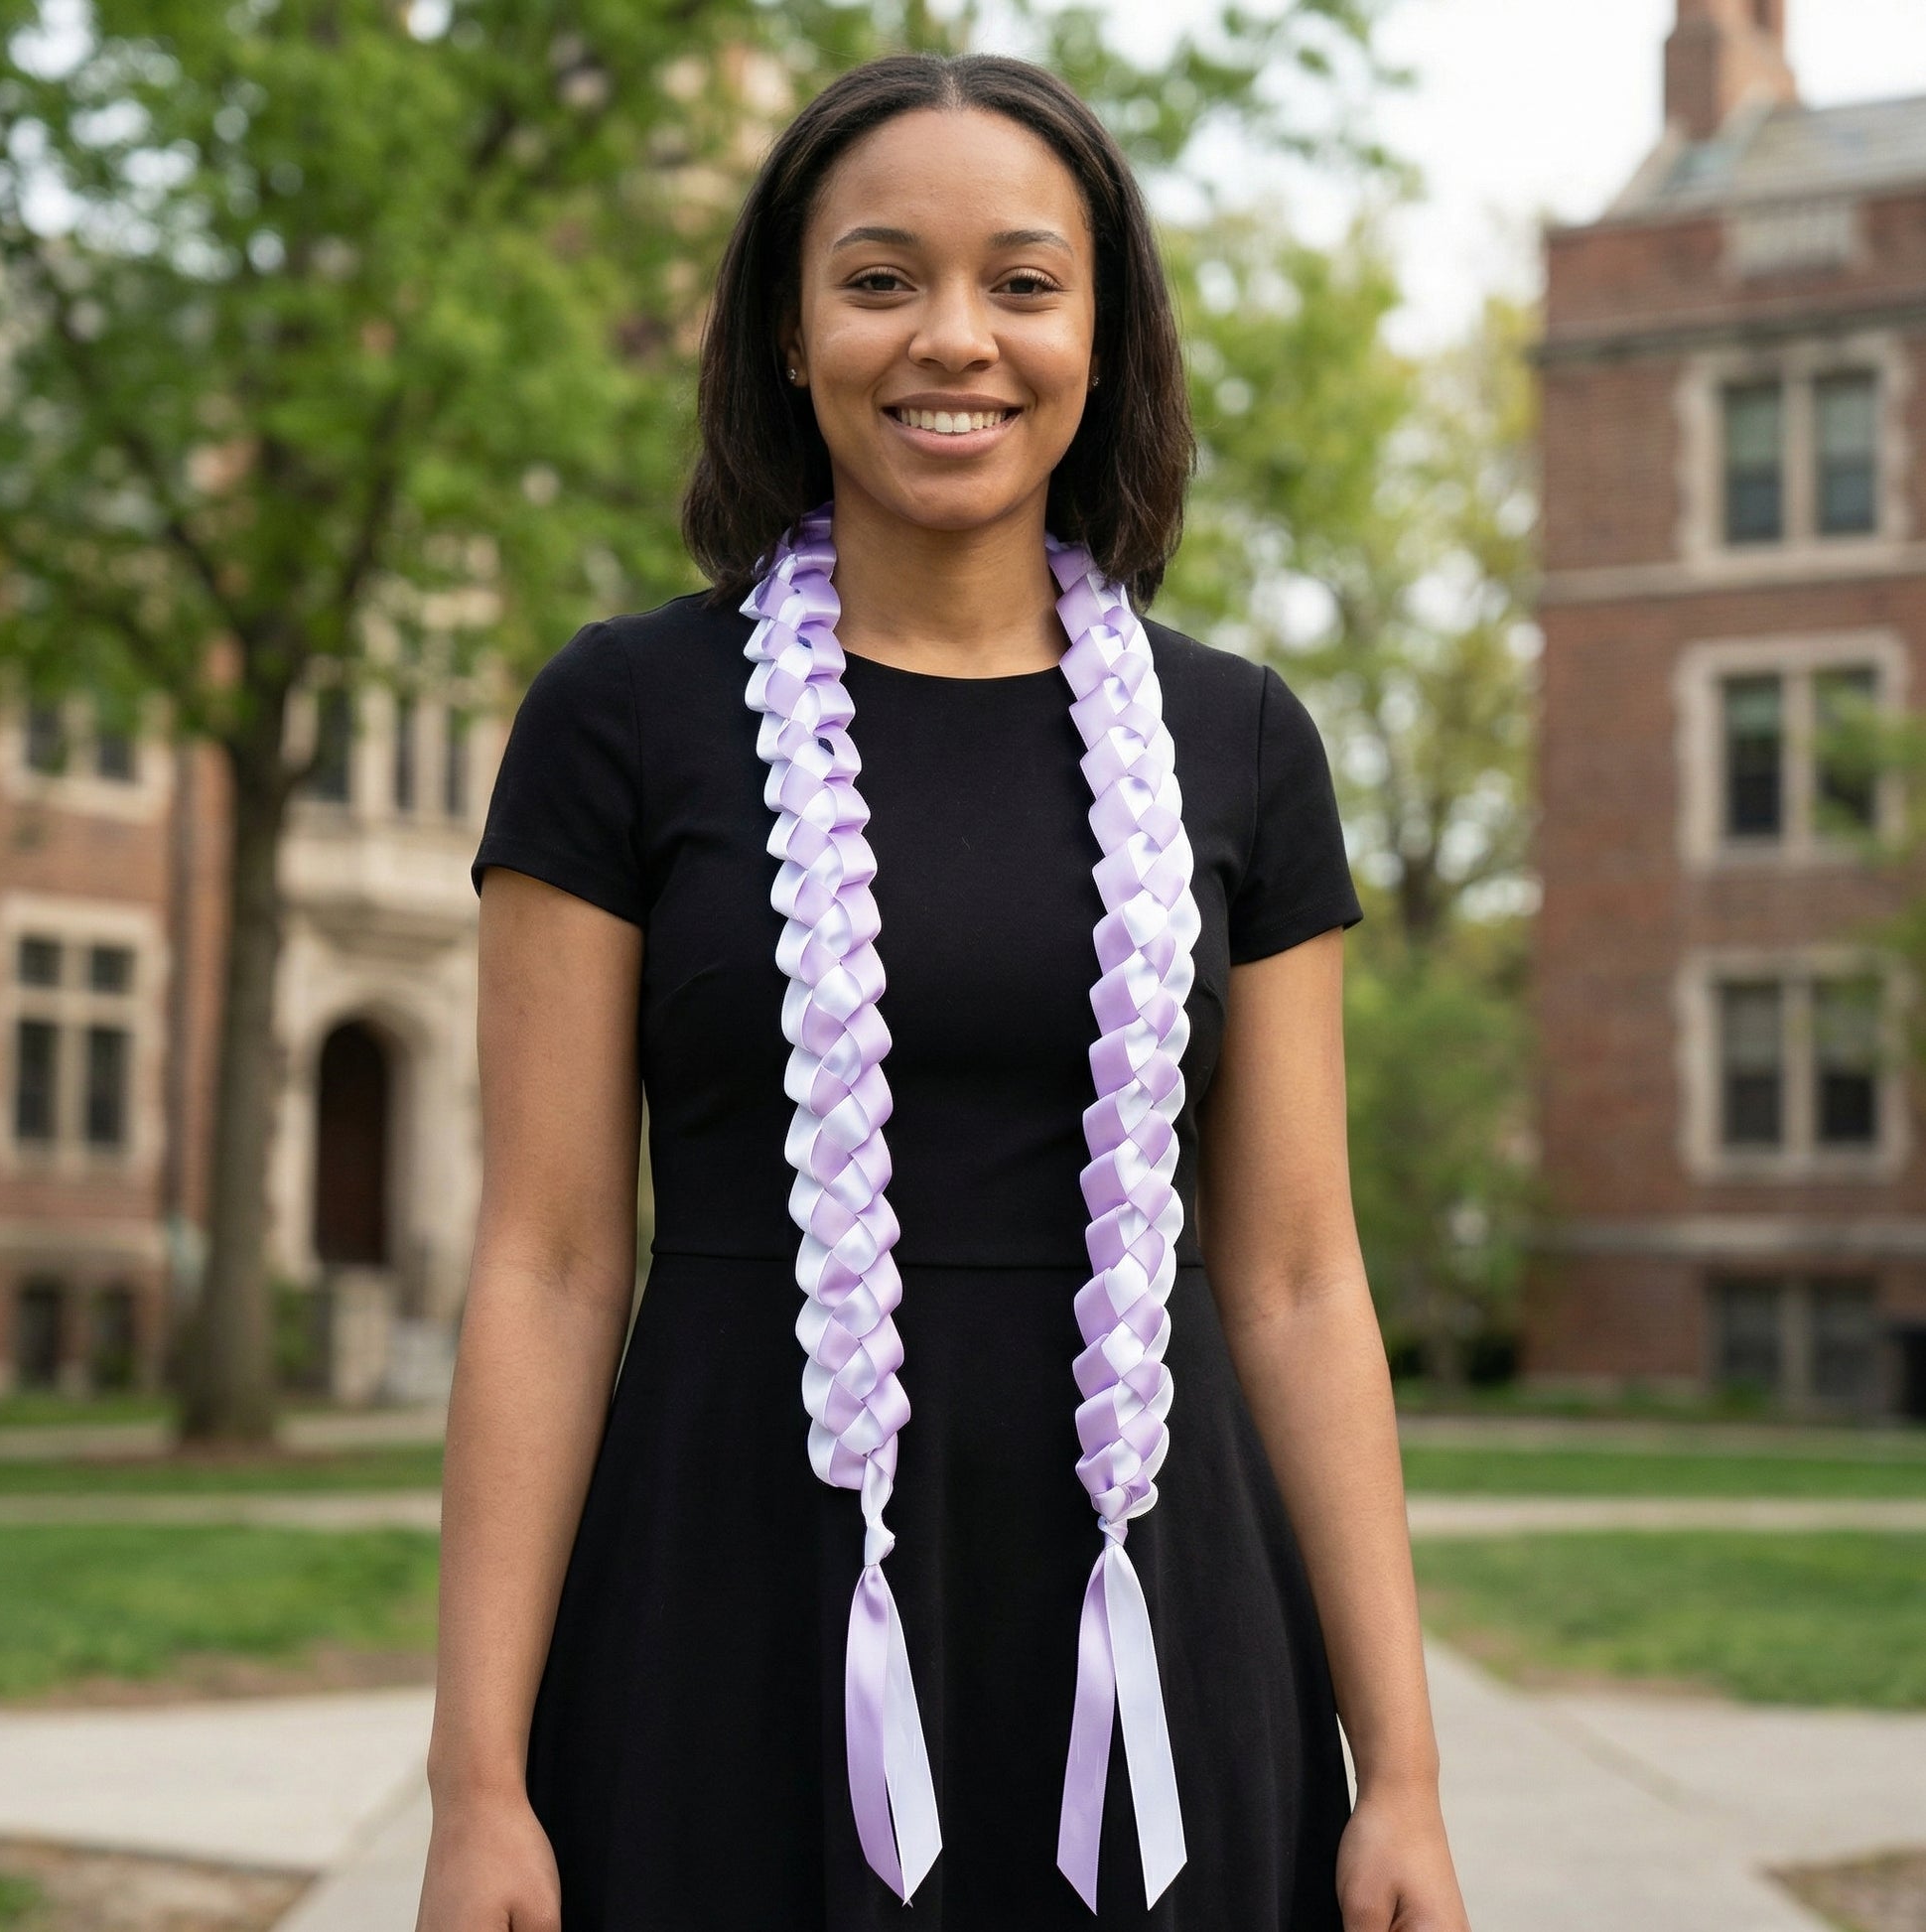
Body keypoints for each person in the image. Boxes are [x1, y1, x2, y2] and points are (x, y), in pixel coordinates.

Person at [416, 48, 1473, 1932]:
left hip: (1156, 1620)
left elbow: (1301, 1276)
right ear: (789, 332)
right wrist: (477, 1782)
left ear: (1101, 331)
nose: (953, 341)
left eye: (1023, 281)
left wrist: (1401, 1773)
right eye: (881, 277)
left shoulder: (1238, 744)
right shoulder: (621, 718)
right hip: (726, 1606)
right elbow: (550, 1258)